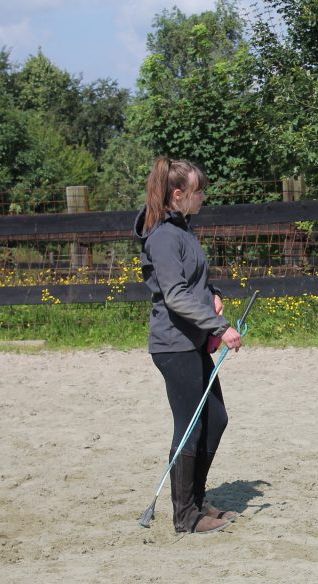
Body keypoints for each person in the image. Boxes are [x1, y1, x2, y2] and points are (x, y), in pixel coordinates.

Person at [133, 157, 244, 535]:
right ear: (178, 194)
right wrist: (221, 326)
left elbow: (193, 282)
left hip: (192, 341)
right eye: (198, 191)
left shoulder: (184, 230)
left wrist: (212, 294)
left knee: (216, 420)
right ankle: (185, 516)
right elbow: (176, 295)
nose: (203, 197)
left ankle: (197, 500)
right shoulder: (163, 237)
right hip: (173, 345)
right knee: (190, 426)